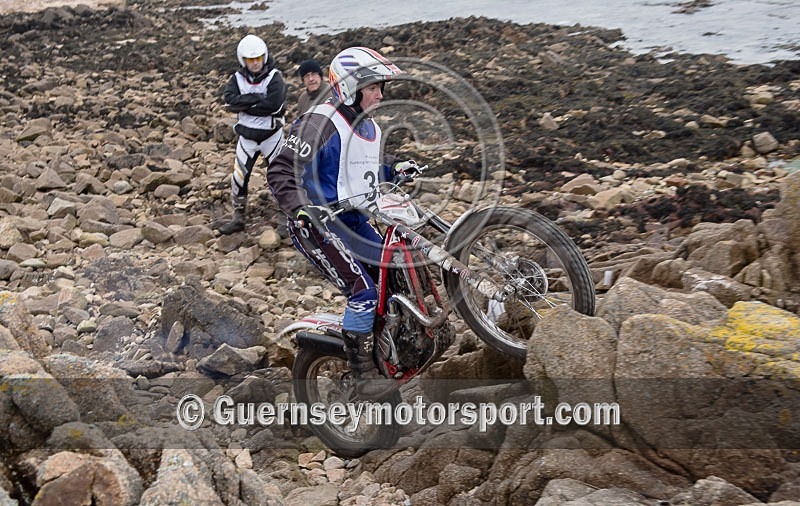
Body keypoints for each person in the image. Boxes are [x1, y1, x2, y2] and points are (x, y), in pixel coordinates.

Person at [268, 47, 414, 398]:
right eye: (374, 87)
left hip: (349, 218)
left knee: (394, 269)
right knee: (363, 291)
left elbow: (359, 169)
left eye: (381, 87)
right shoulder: (320, 122)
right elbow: (281, 169)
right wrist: (299, 208)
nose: (380, 94)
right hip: (316, 223)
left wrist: (393, 169)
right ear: (352, 86)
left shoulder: (368, 128)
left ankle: (389, 347)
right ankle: (361, 372)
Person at [217, 34, 287, 235]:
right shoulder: (237, 79)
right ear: (243, 60)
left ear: (264, 57)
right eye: (250, 60)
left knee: (280, 177)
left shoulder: (275, 77)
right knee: (238, 178)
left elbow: (274, 105)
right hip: (246, 138)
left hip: (271, 136)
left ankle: (285, 218)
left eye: (258, 59)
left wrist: (245, 105)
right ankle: (238, 218)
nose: (255, 64)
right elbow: (230, 101)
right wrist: (256, 99)